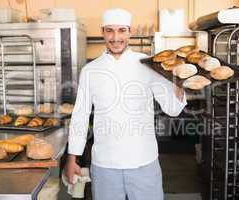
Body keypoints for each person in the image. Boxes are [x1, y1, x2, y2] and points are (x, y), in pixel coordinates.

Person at [65, 8, 187, 200]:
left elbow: (172, 109)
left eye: (122, 30)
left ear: (130, 32)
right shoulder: (90, 71)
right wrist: (72, 158)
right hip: (105, 165)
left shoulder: (148, 65)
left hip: (144, 161)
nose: (116, 37)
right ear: (102, 31)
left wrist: (180, 81)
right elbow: (80, 116)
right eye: (110, 30)